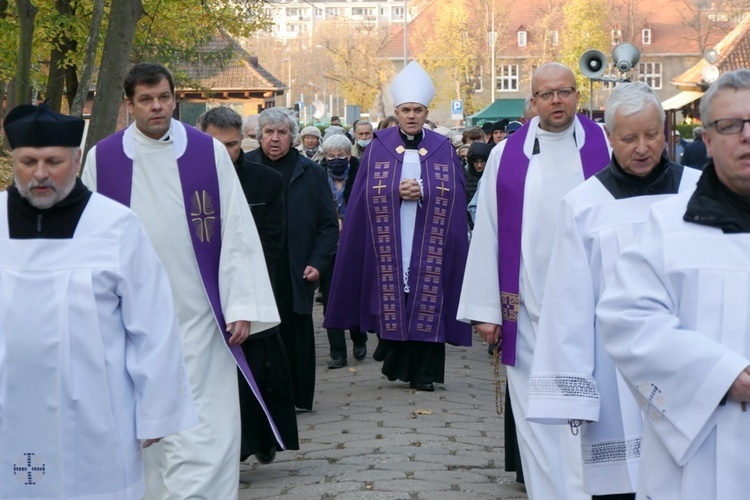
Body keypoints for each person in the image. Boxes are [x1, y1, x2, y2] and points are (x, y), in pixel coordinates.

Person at [81, 62, 281, 499]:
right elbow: (88, 242)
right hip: (132, 320)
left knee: (208, 426)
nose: (157, 107)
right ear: (129, 104)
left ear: (176, 98)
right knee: (144, 427)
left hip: (201, 315)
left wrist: (243, 305)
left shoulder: (205, 152)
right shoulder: (104, 159)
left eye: (165, 97)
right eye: (147, 99)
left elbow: (236, 232)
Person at [0, 103, 197, 499]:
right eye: (28, 161)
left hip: (95, 410)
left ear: (75, 160)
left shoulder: (115, 226)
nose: (40, 174)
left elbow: (153, 323)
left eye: (52, 161)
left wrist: (155, 409)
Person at [525, 82, 701, 499]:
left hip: (691, 365)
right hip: (613, 373)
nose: (642, 147)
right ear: (609, 137)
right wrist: (573, 393)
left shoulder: (699, 192)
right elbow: (568, 304)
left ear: (666, 132)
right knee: (622, 484)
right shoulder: (584, 204)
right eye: (628, 138)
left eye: (651, 135)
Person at [457, 62, 611, 499]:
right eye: (546, 94)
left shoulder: (604, 144)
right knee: (536, 415)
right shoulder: (509, 155)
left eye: (565, 92)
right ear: (533, 101)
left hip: (595, 310)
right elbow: (487, 228)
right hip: (528, 309)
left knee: (592, 414)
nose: (556, 101)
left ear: (578, 96)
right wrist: (487, 310)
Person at [597, 69, 750, 500]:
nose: (746, 136)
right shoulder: (667, 227)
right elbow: (628, 319)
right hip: (696, 461)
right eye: (730, 125)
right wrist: (722, 376)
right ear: (707, 139)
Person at [324, 61, 472, 392]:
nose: (411, 115)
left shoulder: (442, 148)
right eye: (406, 109)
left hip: (428, 241)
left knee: (427, 301)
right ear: (397, 110)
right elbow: (362, 194)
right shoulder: (378, 146)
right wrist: (394, 191)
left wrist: (426, 192)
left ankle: (424, 374)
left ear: (426, 112)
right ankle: (396, 360)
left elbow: (457, 194)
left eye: (418, 110)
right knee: (395, 300)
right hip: (390, 242)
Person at [197, 106, 299, 464]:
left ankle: (262, 437)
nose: (225, 154)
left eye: (232, 145)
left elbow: (271, 240)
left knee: (259, 371)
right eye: (215, 145)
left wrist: (242, 284)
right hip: (199, 293)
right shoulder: (186, 182)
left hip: (251, 288)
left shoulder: (265, 181)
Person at [247, 107, 339, 410]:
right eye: (269, 132)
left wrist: (318, 261)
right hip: (256, 266)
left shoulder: (309, 172)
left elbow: (328, 224)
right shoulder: (244, 169)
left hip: (296, 267)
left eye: (282, 132)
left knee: (295, 333)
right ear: (259, 135)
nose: (275, 139)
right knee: (258, 333)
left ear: (293, 137)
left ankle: (297, 398)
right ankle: (261, 397)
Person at [317, 134, 368, 369]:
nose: (336, 159)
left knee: (354, 293)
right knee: (330, 297)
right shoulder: (317, 176)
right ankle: (338, 352)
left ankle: (359, 338)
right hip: (327, 244)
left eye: (341, 155)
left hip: (355, 242)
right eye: (331, 156)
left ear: (349, 155)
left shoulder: (360, 175)